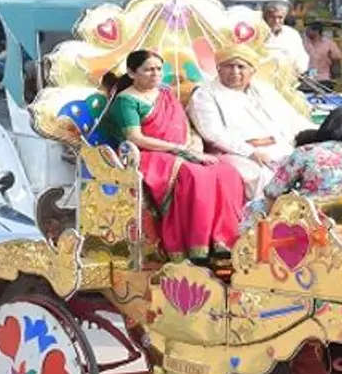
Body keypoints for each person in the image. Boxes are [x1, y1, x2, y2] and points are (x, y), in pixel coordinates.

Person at [100, 50, 247, 261]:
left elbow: (186, 125)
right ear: (132, 73)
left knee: (227, 172)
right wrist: (181, 151)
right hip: (148, 155)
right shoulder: (126, 101)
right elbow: (136, 138)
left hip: (180, 150)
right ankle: (195, 246)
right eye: (148, 70)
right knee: (195, 176)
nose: (155, 74)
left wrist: (195, 146)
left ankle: (222, 240)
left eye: (159, 69)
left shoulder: (166, 94)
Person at [187, 47, 316, 198]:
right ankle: (262, 219)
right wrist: (249, 152)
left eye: (241, 67)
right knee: (262, 177)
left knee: (317, 163)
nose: (235, 71)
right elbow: (213, 133)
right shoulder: (205, 95)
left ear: (252, 71)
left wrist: (320, 134)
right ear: (218, 69)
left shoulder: (265, 90)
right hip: (238, 152)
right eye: (229, 66)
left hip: (282, 147)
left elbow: (292, 118)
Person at [242, 105, 342, 222]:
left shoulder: (307, 151)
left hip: (309, 220)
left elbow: (273, 192)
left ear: (328, 125)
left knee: (255, 207)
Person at [262, 1, 310, 76]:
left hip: (288, 79)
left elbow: (301, 58)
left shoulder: (292, 34)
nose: (276, 21)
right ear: (266, 17)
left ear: (284, 17)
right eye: (272, 17)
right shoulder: (257, 32)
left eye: (280, 17)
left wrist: (299, 70)